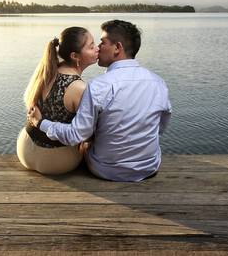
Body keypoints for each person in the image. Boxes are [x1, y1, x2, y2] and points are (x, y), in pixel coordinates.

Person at [28, 20, 171, 182]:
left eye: (102, 42)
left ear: (117, 48)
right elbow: (160, 127)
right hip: (149, 167)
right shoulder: (159, 83)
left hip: (106, 169)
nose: (98, 47)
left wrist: (41, 123)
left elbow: (76, 135)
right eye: (93, 45)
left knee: (86, 143)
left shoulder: (97, 87)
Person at [17, 26, 99, 175]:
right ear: (75, 56)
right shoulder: (80, 88)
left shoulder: (47, 71)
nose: (97, 49)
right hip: (55, 160)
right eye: (91, 46)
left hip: (25, 149)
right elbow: (83, 135)